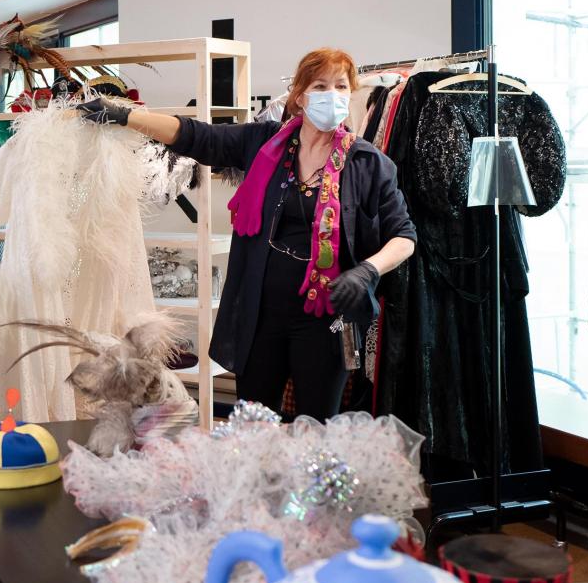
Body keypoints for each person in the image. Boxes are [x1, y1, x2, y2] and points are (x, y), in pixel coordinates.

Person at [84, 47, 416, 419]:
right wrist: (127, 116)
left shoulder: (369, 163)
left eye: (341, 86)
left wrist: (367, 270)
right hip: (260, 314)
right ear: (300, 96)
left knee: (316, 426)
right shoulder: (264, 143)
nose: (333, 95)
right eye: (321, 86)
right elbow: (197, 136)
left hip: (325, 318)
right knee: (252, 421)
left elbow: (404, 236)